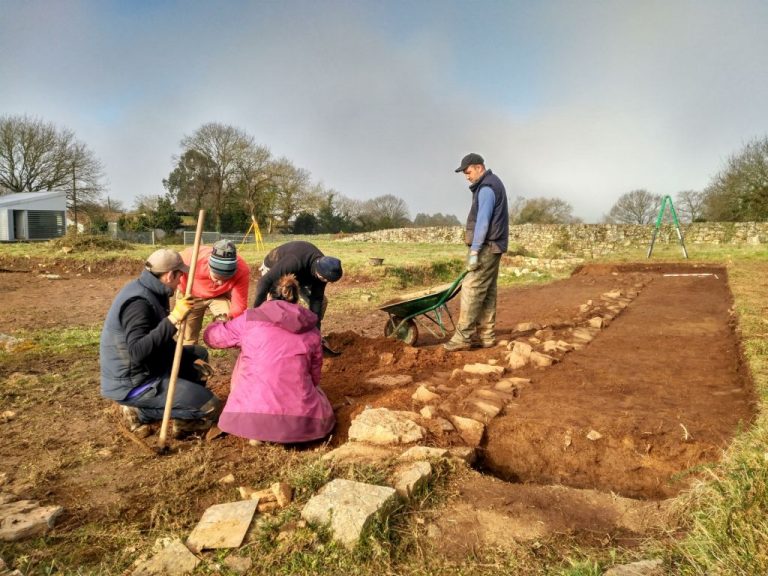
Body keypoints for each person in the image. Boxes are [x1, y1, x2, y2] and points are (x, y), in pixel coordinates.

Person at [99, 248, 222, 438]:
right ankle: (140, 412)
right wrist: (173, 319)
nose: (182, 281)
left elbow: (161, 341)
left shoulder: (153, 291)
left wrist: (188, 360)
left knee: (198, 356)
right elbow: (138, 352)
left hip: (149, 366)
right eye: (180, 275)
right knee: (210, 405)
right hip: (133, 381)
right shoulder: (138, 303)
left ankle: (183, 422)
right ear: (170, 275)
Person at [203, 274, 335, 443]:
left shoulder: (249, 319)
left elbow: (213, 338)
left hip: (252, 416)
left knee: (247, 357)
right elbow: (315, 376)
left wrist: (218, 322)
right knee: (317, 392)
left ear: (268, 296)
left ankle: (256, 431)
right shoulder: (311, 328)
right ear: (295, 301)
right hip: (302, 423)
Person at [444, 153, 509, 351]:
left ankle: (463, 336)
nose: (466, 176)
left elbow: (483, 222)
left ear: (479, 167)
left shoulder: (487, 188)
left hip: (487, 246)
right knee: (488, 290)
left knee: (472, 288)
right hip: (495, 245)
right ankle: (487, 336)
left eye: (468, 171)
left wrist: (474, 252)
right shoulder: (491, 183)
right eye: (464, 173)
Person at [253, 240, 342, 331]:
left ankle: (308, 333)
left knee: (322, 303)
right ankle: (271, 333)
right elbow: (265, 281)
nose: (325, 282)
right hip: (274, 268)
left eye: (329, 281)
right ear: (318, 271)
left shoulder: (325, 269)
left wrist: (316, 330)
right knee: (282, 303)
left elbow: (317, 299)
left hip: (301, 277)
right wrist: (256, 313)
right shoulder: (294, 262)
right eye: (324, 279)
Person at [177, 240, 250, 345]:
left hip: (218, 296)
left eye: (226, 279)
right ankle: (190, 356)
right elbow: (169, 271)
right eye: (217, 278)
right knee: (188, 336)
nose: (220, 283)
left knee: (231, 326)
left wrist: (230, 318)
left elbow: (239, 305)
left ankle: (234, 352)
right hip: (190, 296)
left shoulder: (242, 270)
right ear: (209, 266)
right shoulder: (191, 259)